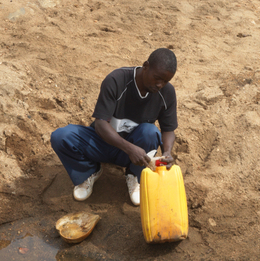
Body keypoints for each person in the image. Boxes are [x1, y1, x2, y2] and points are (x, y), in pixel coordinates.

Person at [50, 48, 177, 206]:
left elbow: (168, 129)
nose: (160, 84)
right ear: (146, 66)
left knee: (150, 132)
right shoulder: (117, 80)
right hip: (103, 142)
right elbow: (101, 125)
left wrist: (166, 152)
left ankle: (135, 176)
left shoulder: (167, 93)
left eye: (165, 81)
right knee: (61, 137)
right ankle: (88, 172)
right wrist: (129, 148)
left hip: (135, 154)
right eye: (157, 78)